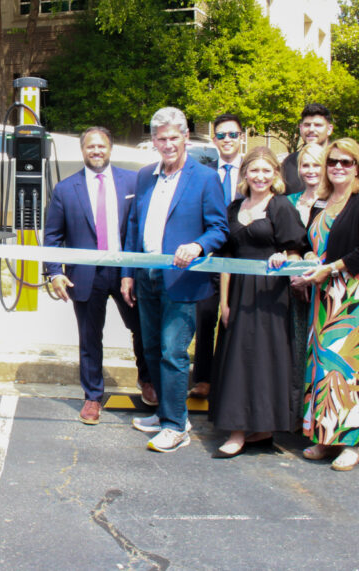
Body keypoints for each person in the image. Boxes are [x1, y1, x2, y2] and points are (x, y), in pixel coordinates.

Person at [121, 107, 228, 453]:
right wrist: (128, 273)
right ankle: (166, 412)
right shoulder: (145, 176)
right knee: (151, 347)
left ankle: (175, 425)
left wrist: (197, 245)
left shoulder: (205, 178)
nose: (167, 144)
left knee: (173, 352)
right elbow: (134, 227)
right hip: (147, 274)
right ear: (153, 141)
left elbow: (219, 229)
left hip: (182, 280)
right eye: (161, 138)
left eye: (173, 138)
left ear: (185, 138)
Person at [43, 126, 151, 425]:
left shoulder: (132, 181)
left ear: (110, 148)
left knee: (142, 327)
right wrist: (54, 272)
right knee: (90, 338)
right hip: (86, 275)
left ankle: (148, 380)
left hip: (126, 271)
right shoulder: (66, 189)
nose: (96, 151)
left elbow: (141, 228)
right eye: (90, 147)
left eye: (101, 146)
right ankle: (92, 396)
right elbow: (52, 236)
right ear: (82, 150)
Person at [208, 147, 307, 457]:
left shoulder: (280, 207)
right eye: (255, 171)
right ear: (245, 174)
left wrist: (284, 256)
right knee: (236, 360)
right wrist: (224, 302)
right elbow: (226, 258)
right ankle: (237, 429)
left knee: (266, 361)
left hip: (271, 295)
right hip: (238, 292)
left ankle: (262, 427)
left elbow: (297, 250)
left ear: (275, 175)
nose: (260, 176)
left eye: (267, 171)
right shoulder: (233, 208)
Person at [299, 138, 359, 471]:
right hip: (324, 297)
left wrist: (330, 268)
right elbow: (314, 242)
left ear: (358, 168)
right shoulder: (324, 200)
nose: (338, 167)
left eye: (346, 162)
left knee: (350, 369)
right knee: (323, 370)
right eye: (333, 161)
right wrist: (310, 257)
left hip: (355, 295)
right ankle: (325, 437)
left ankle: (352, 443)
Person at [191, 113, 244, 400]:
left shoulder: (254, 171)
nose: (227, 140)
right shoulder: (205, 173)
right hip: (209, 257)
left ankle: (229, 379)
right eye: (221, 135)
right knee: (206, 315)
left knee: (234, 318)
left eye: (232, 135)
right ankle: (203, 378)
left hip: (243, 258)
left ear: (242, 137)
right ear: (214, 140)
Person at [285, 142, 325, 419]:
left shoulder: (335, 200)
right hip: (294, 288)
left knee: (320, 353)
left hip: (327, 287)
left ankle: (319, 413)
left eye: (316, 164)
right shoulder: (290, 201)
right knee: (295, 351)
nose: (311, 171)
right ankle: (296, 415)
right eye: (305, 165)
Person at [282, 103, 334, 195]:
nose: (311, 129)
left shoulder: (339, 162)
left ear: (329, 129)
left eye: (318, 125)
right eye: (307, 125)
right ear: (301, 128)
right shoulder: (289, 162)